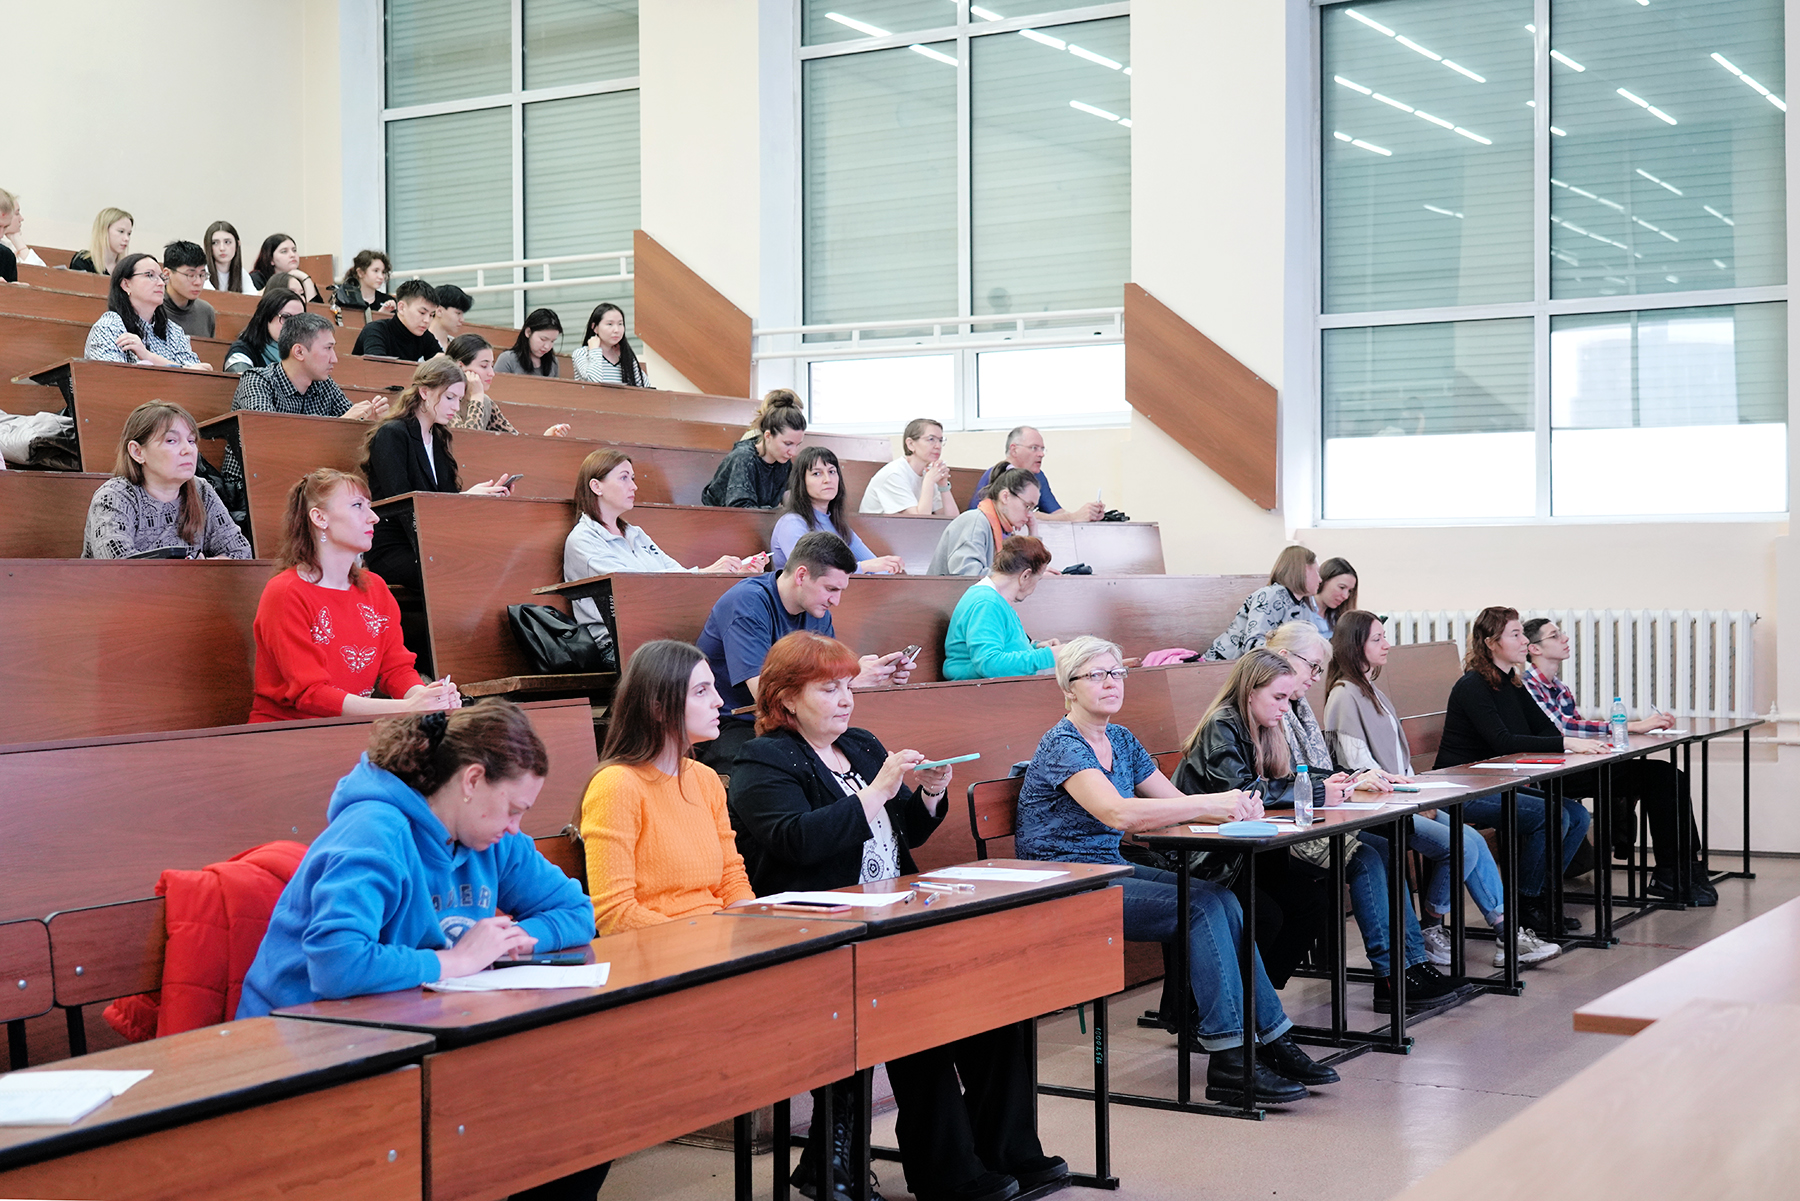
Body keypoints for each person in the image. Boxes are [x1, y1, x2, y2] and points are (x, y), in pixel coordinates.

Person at [729, 631, 1065, 1201]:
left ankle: (1007, 1150)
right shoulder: (762, 759)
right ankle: (948, 1173)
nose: (845, 699)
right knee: (919, 1011)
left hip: (896, 918)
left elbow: (902, 830)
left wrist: (928, 795)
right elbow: (796, 842)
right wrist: (878, 791)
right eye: (828, 689)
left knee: (998, 999)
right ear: (786, 699)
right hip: (823, 930)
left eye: (847, 686)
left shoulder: (860, 744)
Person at [236, 700, 605, 1201]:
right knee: (502, 1132)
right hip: (301, 1046)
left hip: (404, 1031)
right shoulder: (374, 829)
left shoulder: (492, 840)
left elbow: (576, 911)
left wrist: (523, 937)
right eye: (514, 809)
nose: (516, 826)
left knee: (579, 1121)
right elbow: (337, 963)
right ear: (472, 780)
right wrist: (456, 961)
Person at [1014, 637, 1339, 1105]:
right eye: (1097, 675)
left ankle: (1270, 1039)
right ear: (1069, 688)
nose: (1111, 683)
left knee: (1222, 899)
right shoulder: (1063, 744)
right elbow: (1119, 813)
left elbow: (1177, 805)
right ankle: (1230, 1059)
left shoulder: (1121, 740)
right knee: (1201, 907)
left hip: (1107, 867)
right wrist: (1212, 803)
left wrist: (1235, 808)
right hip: (1062, 881)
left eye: (1117, 673)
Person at [1323, 611, 1562, 967]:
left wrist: (1420, 795)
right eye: (1377, 639)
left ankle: (1504, 933)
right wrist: (1414, 799)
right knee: (1464, 845)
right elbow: (1360, 770)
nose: (1387, 644)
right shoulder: (1344, 696)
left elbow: (1400, 762)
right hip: (1381, 809)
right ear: (1355, 645)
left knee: (1472, 841)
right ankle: (1437, 929)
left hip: (1406, 798)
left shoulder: (1371, 690)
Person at [1435, 606, 1604, 935]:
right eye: (1515, 634)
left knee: (1576, 815)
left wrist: (1570, 743)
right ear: (1491, 643)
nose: (1525, 641)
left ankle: (1543, 897)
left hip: (1494, 783)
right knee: (1552, 815)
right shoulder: (1472, 686)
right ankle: (1526, 904)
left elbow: (1543, 728)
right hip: (1461, 787)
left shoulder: (1512, 683)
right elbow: (1502, 741)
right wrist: (1566, 743)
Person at [1522, 617, 1711, 905]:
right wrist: (1629, 726)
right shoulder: (1528, 686)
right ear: (1534, 649)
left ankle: (1682, 867)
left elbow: (1578, 727)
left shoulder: (1559, 687)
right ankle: (1673, 872)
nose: (1565, 639)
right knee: (1659, 777)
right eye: (1555, 635)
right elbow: (1562, 728)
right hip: (1552, 773)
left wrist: (1626, 733)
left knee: (1668, 775)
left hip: (1575, 764)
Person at [248, 468, 461, 722]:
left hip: (349, 730)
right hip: (288, 733)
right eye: (358, 505)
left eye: (369, 506)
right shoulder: (285, 592)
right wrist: (408, 707)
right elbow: (311, 694)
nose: (374, 517)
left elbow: (397, 669)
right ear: (319, 518)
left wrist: (427, 698)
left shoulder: (376, 587)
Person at [694, 532, 910, 772]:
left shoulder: (818, 610)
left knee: (863, 751)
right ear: (801, 575)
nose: (836, 601)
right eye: (831, 588)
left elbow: (823, 682)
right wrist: (849, 681)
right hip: (729, 722)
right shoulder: (747, 603)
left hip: (792, 717)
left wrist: (866, 680)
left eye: (840, 590)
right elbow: (767, 696)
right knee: (791, 766)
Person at [579, 640, 752, 933]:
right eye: (701, 691)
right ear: (658, 709)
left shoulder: (706, 779)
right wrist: (702, 940)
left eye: (713, 687)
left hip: (716, 939)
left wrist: (755, 928)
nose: (719, 701)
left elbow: (731, 880)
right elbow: (614, 914)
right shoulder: (616, 785)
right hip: (661, 947)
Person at [564, 449, 766, 632]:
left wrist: (733, 573)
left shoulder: (635, 534)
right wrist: (708, 572)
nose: (634, 486)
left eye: (632, 478)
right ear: (596, 486)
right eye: (624, 478)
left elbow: (676, 574)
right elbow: (631, 588)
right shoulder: (583, 540)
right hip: (614, 640)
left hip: (658, 627)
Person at [361, 356, 515, 592]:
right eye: (449, 397)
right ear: (424, 392)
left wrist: (477, 497)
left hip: (428, 544)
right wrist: (464, 499)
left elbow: (446, 502)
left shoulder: (439, 438)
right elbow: (401, 502)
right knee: (456, 570)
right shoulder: (392, 434)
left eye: (459, 400)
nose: (456, 407)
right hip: (395, 545)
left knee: (488, 562)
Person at [81, 401, 251, 560]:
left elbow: (241, 552)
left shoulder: (202, 490)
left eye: (191, 440)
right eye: (171, 440)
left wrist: (204, 566)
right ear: (137, 452)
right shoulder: (114, 496)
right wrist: (192, 570)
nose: (188, 449)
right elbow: (119, 566)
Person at [770, 446, 904, 574]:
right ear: (801, 482)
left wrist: (886, 566)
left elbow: (879, 567)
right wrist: (864, 567)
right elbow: (810, 571)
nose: (827, 479)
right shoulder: (792, 523)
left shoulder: (838, 525)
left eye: (832, 472)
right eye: (817, 473)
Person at [943, 535, 1056, 680]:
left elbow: (1002, 648)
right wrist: (1048, 656)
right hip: (980, 691)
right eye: (1038, 579)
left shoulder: (994, 599)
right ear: (1025, 576)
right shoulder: (986, 603)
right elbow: (989, 664)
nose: (1034, 588)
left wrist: (1035, 648)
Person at [83, 254, 209, 369]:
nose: (161, 283)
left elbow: (199, 374)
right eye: (150, 275)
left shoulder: (173, 331)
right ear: (126, 284)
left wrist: (148, 356)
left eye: (161, 277)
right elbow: (113, 379)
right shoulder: (109, 327)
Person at [1204, 546, 1320, 662]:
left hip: (1268, 665)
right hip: (1225, 663)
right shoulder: (1271, 596)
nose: (1320, 580)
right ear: (1305, 570)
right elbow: (1253, 646)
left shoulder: (1303, 607)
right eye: (1317, 572)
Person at [445, 333, 571, 437]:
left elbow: (514, 440)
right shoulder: (444, 399)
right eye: (484, 366)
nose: (491, 373)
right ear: (460, 367)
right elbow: (467, 440)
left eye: (491, 366)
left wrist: (545, 437)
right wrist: (476, 398)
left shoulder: (485, 402)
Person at [967, 426, 1101, 523]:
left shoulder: (1037, 475)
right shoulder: (1001, 474)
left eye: (1042, 449)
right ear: (1014, 450)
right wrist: (1072, 517)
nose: (1041, 454)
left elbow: (1056, 513)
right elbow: (1019, 515)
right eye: (1034, 448)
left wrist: (1087, 515)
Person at [928, 466, 1040, 577]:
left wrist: (1033, 531)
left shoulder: (1006, 531)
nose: (1030, 515)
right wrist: (1014, 578)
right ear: (1005, 497)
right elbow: (969, 576)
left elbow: (1026, 572)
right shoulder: (975, 521)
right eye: (1027, 506)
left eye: (1032, 509)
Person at [700, 393, 807, 508]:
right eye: (788, 444)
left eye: (797, 445)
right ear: (768, 436)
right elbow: (741, 510)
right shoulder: (743, 458)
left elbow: (791, 498)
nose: (793, 453)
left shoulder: (783, 462)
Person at [860, 417, 955, 515]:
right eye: (931, 439)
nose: (938, 446)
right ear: (910, 444)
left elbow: (954, 520)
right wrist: (929, 481)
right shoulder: (894, 474)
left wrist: (943, 486)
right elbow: (919, 520)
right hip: (875, 525)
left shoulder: (928, 472)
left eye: (940, 440)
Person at [352, 278, 442, 361]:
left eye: (431, 315)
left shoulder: (425, 336)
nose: (427, 320)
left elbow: (443, 363)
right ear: (401, 308)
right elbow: (377, 367)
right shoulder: (375, 331)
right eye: (422, 313)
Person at [224, 290, 305, 373]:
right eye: (286, 317)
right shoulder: (242, 351)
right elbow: (242, 379)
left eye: (300, 319)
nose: (294, 325)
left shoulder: (305, 354)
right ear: (266, 317)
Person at [572, 302, 650, 386]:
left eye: (620, 324)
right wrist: (594, 351)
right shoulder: (582, 354)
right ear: (595, 327)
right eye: (610, 324)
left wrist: (626, 356)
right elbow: (594, 384)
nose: (616, 330)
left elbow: (644, 387)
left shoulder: (624, 356)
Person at [158, 241, 217, 340]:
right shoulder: (152, 308)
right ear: (167, 274)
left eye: (202, 275)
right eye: (190, 275)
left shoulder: (206, 312)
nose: (198, 282)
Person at [250, 233, 321, 300]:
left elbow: (315, 306)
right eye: (284, 251)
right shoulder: (257, 278)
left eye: (294, 250)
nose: (292, 255)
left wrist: (305, 278)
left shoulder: (299, 279)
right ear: (271, 259)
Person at [497, 308, 563, 376]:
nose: (547, 346)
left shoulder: (553, 363)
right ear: (528, 332)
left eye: (552, 341)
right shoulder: (508, 359)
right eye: (543, 339)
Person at [69, 207, 132, 274]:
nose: (127, 238)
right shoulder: (84, 261)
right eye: (121, 231)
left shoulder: (127, 269)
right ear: (104, 231)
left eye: (129, 234)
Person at [333, 249, 396, 314]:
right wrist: (379, 315)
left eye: (383, 272)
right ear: (360, 273)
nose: (381, 277)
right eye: (376, 271)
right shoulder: (345, 300)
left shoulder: (388, 302)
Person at [203, 220, 256, 294]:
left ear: (237, 244)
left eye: (227, 242)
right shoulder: (201, 272)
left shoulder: (242, 273)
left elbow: (252, 296)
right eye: (215, 243)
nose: (222, 248)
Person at [1310, 557, 1358, 636]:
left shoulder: (1338, 619)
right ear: (1323, 580)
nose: (1345, 596)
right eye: (1342, 587)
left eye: (1350, 591)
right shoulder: (1299, 611)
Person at [0, 188, 47, 268]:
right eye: (17, 213)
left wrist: (17, 239)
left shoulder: (8, 248)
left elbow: (41, 272)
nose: (21, 218)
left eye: (5, 227)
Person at [426, 283, 471, 350]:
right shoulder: (419, 344)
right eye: (458, 313)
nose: (462, 319)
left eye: (462, 314)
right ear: (439, 311)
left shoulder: (458, 347)